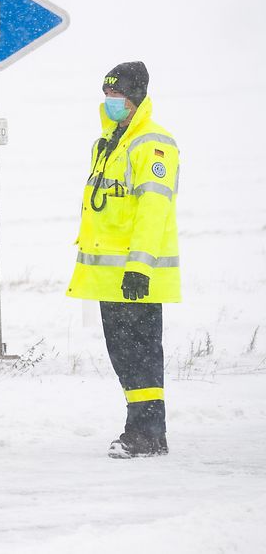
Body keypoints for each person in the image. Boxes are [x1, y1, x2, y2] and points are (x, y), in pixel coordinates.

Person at [67, 61, 180, 458]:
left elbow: (154, 209)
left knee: (141, 354)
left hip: (136, 275)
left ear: (135, 99)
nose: (110, 102)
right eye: (107, 96)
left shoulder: (152, 143)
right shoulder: (108, 143)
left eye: (116, 96)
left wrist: (139, 266)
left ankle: (148, 433)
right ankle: (141, 429)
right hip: (109, 276)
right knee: (126, 357)